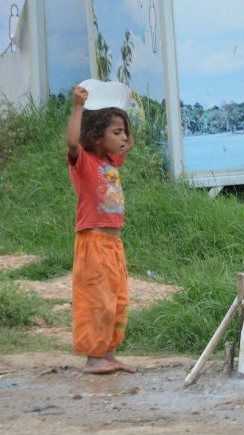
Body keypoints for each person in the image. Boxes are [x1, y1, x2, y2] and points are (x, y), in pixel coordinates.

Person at [65, 84, 136, 375]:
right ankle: (93, 357)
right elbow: (72, 142)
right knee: (97, 300)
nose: (123, 139)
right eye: (116, 133)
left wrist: (124, 111)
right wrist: (79, 108)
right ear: (96, 136)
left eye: (123, 132)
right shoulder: (84, 161)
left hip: (113, 245)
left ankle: (108, 353)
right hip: (93, 241)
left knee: (117, 301)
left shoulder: (111, 161)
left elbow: (128, 144)